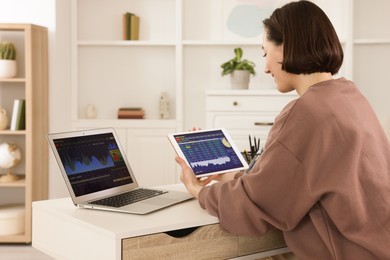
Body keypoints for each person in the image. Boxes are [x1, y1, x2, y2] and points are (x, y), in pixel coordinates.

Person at [175, 1, 390, 259]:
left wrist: (198, 190)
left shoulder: (306, 112)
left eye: (265, 53)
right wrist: (232, 177)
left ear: (287, 47)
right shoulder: (349, 95)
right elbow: (289, 179)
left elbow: (256, 209)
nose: (265, 67)